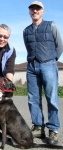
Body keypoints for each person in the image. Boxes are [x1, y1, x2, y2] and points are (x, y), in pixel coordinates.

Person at [23, 1, 63, 145]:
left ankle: (53, 130)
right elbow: (28, 47)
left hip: (48, 64)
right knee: (33, 98)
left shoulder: (51, 25)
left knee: (51, 98)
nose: (35, 11)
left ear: (43, 11)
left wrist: (51, 60)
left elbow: (60, 45)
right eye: (32, 9)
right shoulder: (26, 30)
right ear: (29, 12)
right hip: (32, 67)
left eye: (38, 8)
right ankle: (38, 127)